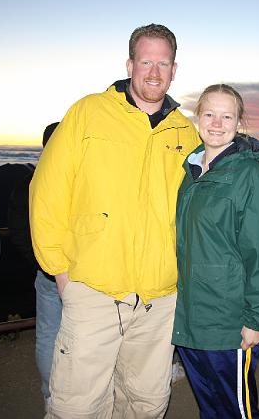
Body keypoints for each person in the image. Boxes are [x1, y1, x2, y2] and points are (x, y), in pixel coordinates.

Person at [29, 24, 201, 418]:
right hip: (93, 290)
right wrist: (60, 271)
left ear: (174, 69)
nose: (154, 72)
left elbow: (197, 211)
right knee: (78, 406)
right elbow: (47, 190)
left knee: (146, 403)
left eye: (163, 63)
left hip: (160, 299)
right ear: (130, 64)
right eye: (146, 62)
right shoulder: (89, 112)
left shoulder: (185, 132)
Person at [172, 84, 259, 418]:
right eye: (209, 114)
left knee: (236, 410)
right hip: (191, 317)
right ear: (197, 118)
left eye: (227, 116)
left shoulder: (249, 175)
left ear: (238, 123)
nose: (217, 123)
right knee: (210, 407)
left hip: (229, 320)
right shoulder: (188, 172)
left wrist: (257, 318)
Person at [7, 121, 60, 402]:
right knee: (81, 338)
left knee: (48, 336)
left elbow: (17, 230)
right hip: (73, 276)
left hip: (48, 274)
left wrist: (41, 263)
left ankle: (51, 396)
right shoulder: (73, 178)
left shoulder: (29, 181)